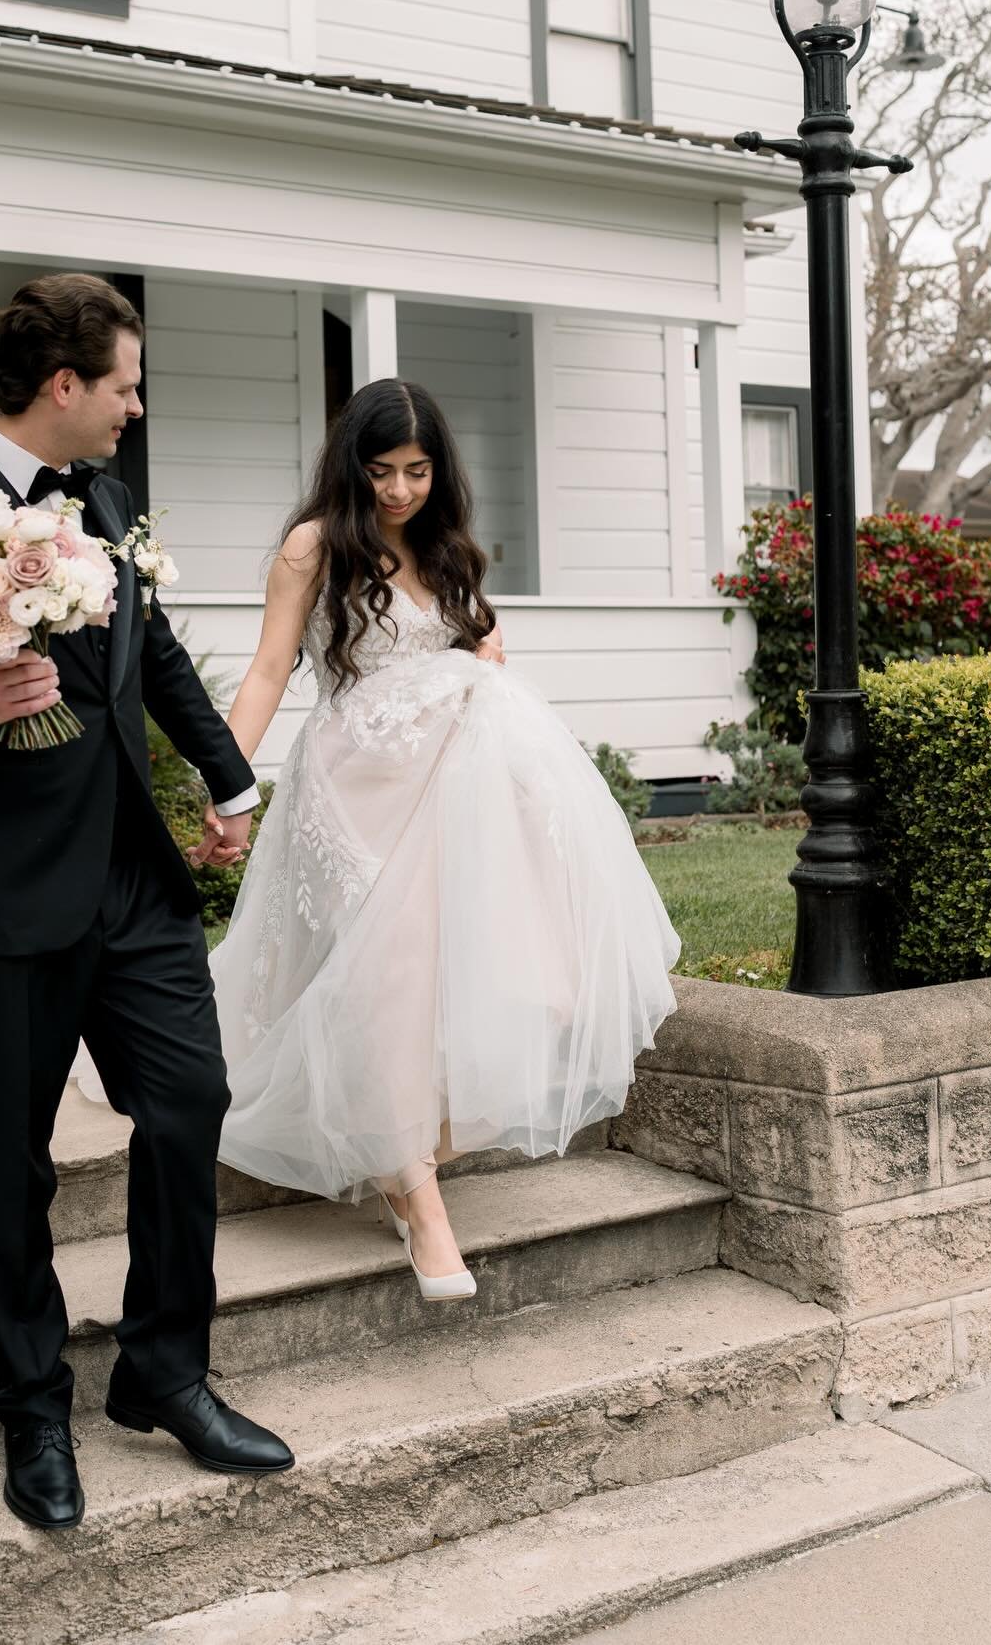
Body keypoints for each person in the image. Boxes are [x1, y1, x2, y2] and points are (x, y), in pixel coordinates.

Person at [77, 378, 682, 1299]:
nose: (399, 491)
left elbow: (479, 652)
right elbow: (271, 669)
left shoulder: (446, 550)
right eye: (381, 471)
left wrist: (483, 661)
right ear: (350, 466)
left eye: (417, 471)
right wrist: (228, 785)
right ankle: (420, 1197)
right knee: (391, 978)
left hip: (452, 793)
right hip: (354, 789)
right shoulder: (314, 546)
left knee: (512, 977)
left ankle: (410, 1151)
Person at [0, 273, 292, 1534]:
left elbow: (147, 652)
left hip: (127, 880)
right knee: (11, 1160)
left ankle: (165, 1368)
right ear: (63, 385)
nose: (135, 406)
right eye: (125, 384)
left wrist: (229, 777)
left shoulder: (108, 500)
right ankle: (33, 1404)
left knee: (191, 1099)